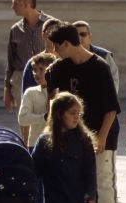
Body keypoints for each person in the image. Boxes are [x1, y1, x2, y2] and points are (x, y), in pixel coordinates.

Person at [46, 23, 120, 203]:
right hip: (72, 135)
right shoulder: (60, 68)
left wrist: (101, 138)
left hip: (100, 134)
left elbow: (111, 109)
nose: (55, 51)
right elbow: (52, 101)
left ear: (66, 44)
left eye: (56, 47)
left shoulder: (99, 67)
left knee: (102, 184)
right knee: (76, 182)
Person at [32, 92, 98, 203]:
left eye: (79, 113)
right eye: (72, 113)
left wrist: (91, 195)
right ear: (59, 114)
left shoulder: (83, 140)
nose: (76, 117)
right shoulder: (44, 141)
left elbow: (90, 171)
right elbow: (33, 172)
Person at [5, 0, 50, 112]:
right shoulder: (15, 29)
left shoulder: (51, 24)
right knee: (25, 120)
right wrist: (7, 90)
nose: (12, 7)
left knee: (47, 119)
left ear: (26, 4)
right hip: (21, 78)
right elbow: (10, 62)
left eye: (15, 3)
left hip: (47, 76)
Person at [19, 52, 56, 149]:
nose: (36, 74)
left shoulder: (60, 92)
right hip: (35, 144)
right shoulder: (31, 92)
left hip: (55, 143)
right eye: (35, 70)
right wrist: (43, 117)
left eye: (41, 69)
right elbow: (22, 118)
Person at [72, 21, 119, 92]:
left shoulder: (104, 55)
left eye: (83, 34)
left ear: (90, 36)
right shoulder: (67, 56)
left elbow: (113, 80)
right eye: (75, 35)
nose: (79, 38)